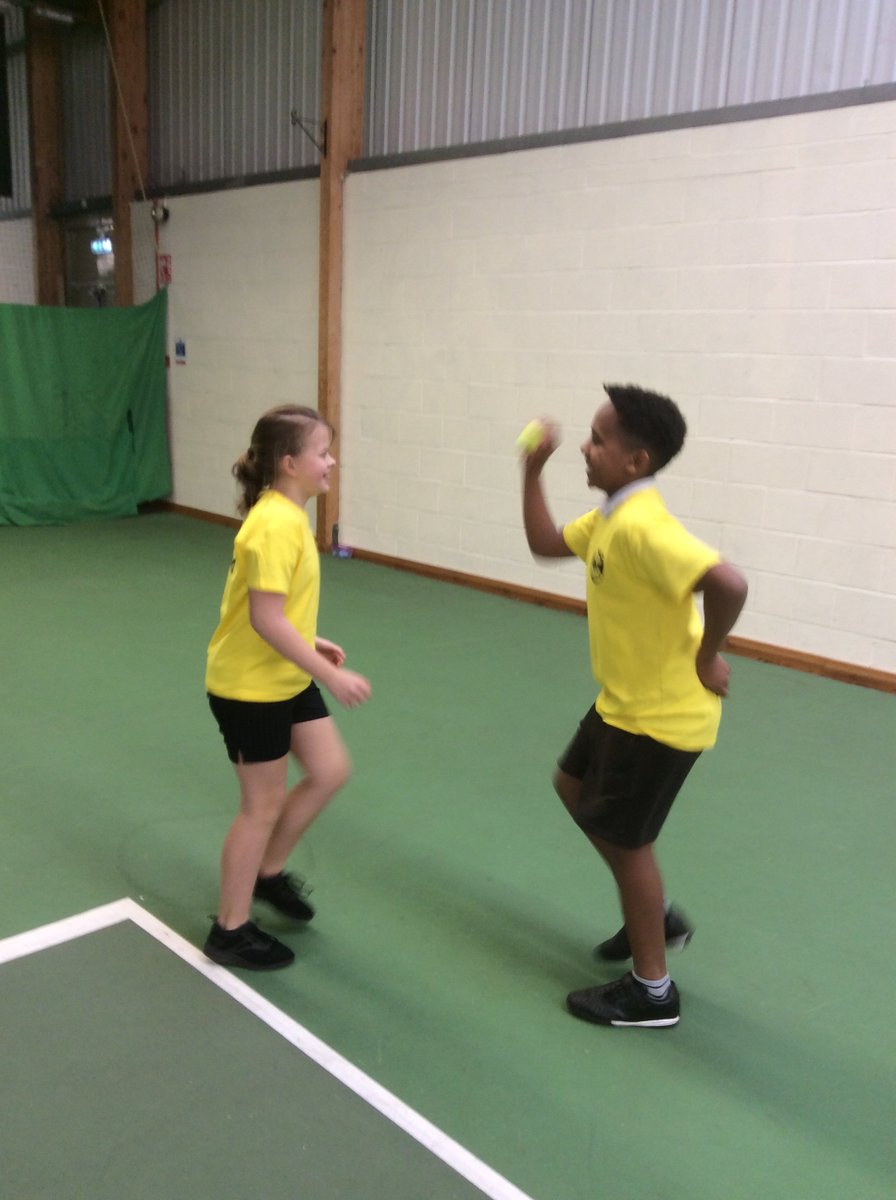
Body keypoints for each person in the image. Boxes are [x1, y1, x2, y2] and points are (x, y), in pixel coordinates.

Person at [521, 384, 747, 1027]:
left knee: (628, 841)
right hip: (622, 703)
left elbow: (727, 581)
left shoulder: (646, 527)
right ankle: (656, 917)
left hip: (660, 717)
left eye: (599, 440)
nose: (587, 450)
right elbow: (545, 542)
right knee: (572, 786)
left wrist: (707, 654)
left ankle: (653, 992)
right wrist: (531, 470)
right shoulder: (611, 517)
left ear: (636, 461)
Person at [203, 405, 371, 970]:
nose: (332, 462)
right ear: (289, 462)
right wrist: (331, 673)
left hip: (283, 675)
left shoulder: (285, 514)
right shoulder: (274, 524)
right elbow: (264, 619)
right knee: (262, 804)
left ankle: (267, 874)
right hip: (250, 688)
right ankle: (230, 928)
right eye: (323, 452)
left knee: (329, 771)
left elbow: (272, 608)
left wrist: (311, 639)